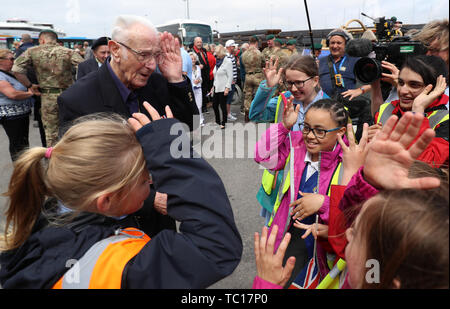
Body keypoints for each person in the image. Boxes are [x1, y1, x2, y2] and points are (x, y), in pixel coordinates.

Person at [0, 103, 243, 288]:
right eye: (144, 180)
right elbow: (214, 248)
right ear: (106, 200)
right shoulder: (115, 263)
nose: (152, 184)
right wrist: (173, 157)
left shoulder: (47, 218)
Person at [253, 112, 448, 289]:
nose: (347, 232)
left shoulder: (344, 158)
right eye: (306, 127)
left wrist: (267, 285)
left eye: (356, 235)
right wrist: (367, 182)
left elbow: (338, 235)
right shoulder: (373, 275)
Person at [57, 15, 199, 237]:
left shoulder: (157, 83)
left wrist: (175, 79)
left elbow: (188, 125)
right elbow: (82, 175)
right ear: (114, 49)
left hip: (160, 221)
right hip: (111, 226)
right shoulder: (78, 99)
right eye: (143, 55)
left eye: (156, 55)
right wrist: (151, 199)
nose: (152, 65)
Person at [254, 98, 350, 285]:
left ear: (340, 132)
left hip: (323, 242)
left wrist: (324, 203)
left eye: (320, 131)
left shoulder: (350, 159)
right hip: (288, 235)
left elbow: (355, 210)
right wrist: (283, 127)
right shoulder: (295, 144)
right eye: (306, 127)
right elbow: (262, 156)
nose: (311, 136)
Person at [250, 55, 330, 227]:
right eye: (289, 82)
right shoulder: (284, 100)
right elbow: (256, 115)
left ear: (315, 80)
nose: (293, 88)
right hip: (280, 184)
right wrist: (268, 88)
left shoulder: (331, 108)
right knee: (276, 234)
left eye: (299, 83)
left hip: (311, 184)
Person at [370, 55, 449, 168]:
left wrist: (417, 112)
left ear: (435, 90)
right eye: (401, 83)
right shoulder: (385, 109)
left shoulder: (445, 120)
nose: (403, 91)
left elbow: (425, 165)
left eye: (414, 85)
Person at [12, 29, 84, 147]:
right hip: (68, 96)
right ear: (55, 39)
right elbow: (83, 68)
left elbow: (16, 70)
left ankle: (53, 160)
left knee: (51, 133)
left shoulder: (32, 52)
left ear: (42, 40)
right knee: (72, 129)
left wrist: (30, 86)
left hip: (48, 97)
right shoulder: (68, 52)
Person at [0, 49, 34, 161]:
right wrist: (29, 94)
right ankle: (21, 170)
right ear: (1, 61)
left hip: (21, 114)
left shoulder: (11, 73)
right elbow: (12, 94)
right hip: (11, 116)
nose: (14, 61)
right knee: (18, 145)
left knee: (23, 143)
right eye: (11, 59)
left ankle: (24, 168)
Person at [241, 36, 264, 122]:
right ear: (256, 42)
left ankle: (247, 116)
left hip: (248, 76)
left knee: (248, 96)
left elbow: (242, 64)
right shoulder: (259, 53)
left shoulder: (244, 54)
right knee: (258, 96)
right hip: (257, 76)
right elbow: (263, 63)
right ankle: (257, 115)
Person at [212, 45, 233, 129]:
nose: (215, 55)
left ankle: (223, 122)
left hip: (223, 88)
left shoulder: (228, 61)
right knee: (214, 105)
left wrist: (227, 88)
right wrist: (213, 86)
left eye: (217, 53)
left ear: (221, 53)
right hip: (216, 87)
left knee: (222, 106)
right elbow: (215, 75)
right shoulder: (217, 61)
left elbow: (230, 76)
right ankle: (217, 121)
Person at [193, 36, 211, 114]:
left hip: (205, 74)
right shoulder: (192, 51)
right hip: (197, 75)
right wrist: (198, 66)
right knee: (199, 92)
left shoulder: (203, 50)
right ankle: (201, 108)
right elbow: (192, 62)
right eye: (198, 42)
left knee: (204, 91)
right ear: (194, 43)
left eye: (200, 42)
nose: (199, 44)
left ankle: (203, 106)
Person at [225, 40, 238, 121]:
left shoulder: (230, 55)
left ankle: (228, 112)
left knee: (229, 98)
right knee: (228, 98)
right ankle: (228, 114)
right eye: (233, 46)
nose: (235, 48)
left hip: (232, 81)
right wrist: (230, 80)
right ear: (229, 47)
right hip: (230, 81)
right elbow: (227, 70)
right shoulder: (227, 56)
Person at [189, 52, 204, 126]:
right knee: (192, 105)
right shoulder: (187, 68)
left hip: (198, 88)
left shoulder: (198, 67)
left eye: (194, 59)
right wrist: (193, 82)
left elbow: (200, 78)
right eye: (191, 59)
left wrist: (199, 80)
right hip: (191, 89)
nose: (193, 60)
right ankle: (194, 121)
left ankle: (201, 120)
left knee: (199, 105)